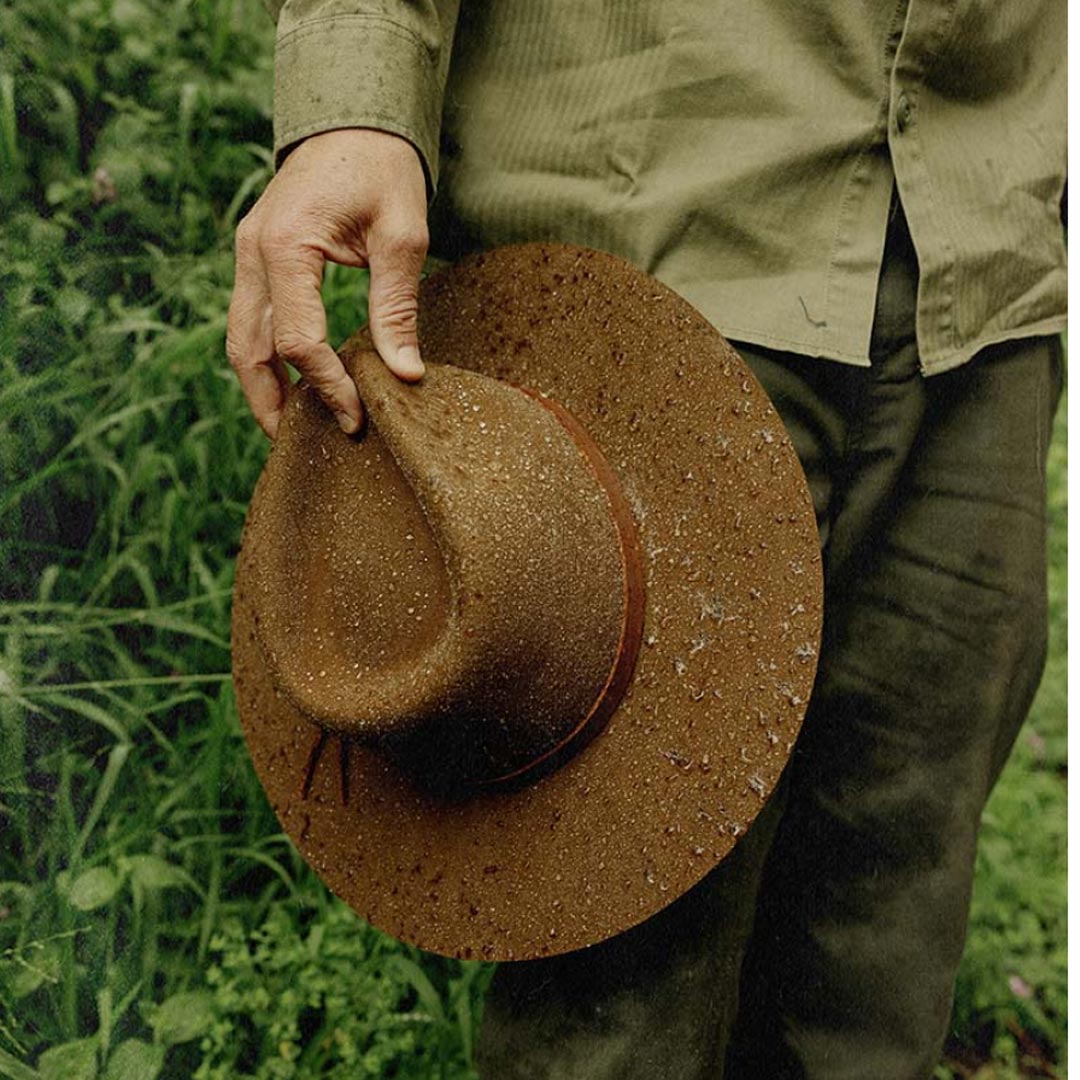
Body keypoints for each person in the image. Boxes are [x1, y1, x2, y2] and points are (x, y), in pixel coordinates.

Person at [225, 3, 1066, 1077]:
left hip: (987, 272)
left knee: (877, 963)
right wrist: (356, 103)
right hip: (658, 245)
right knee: (619, 1007)